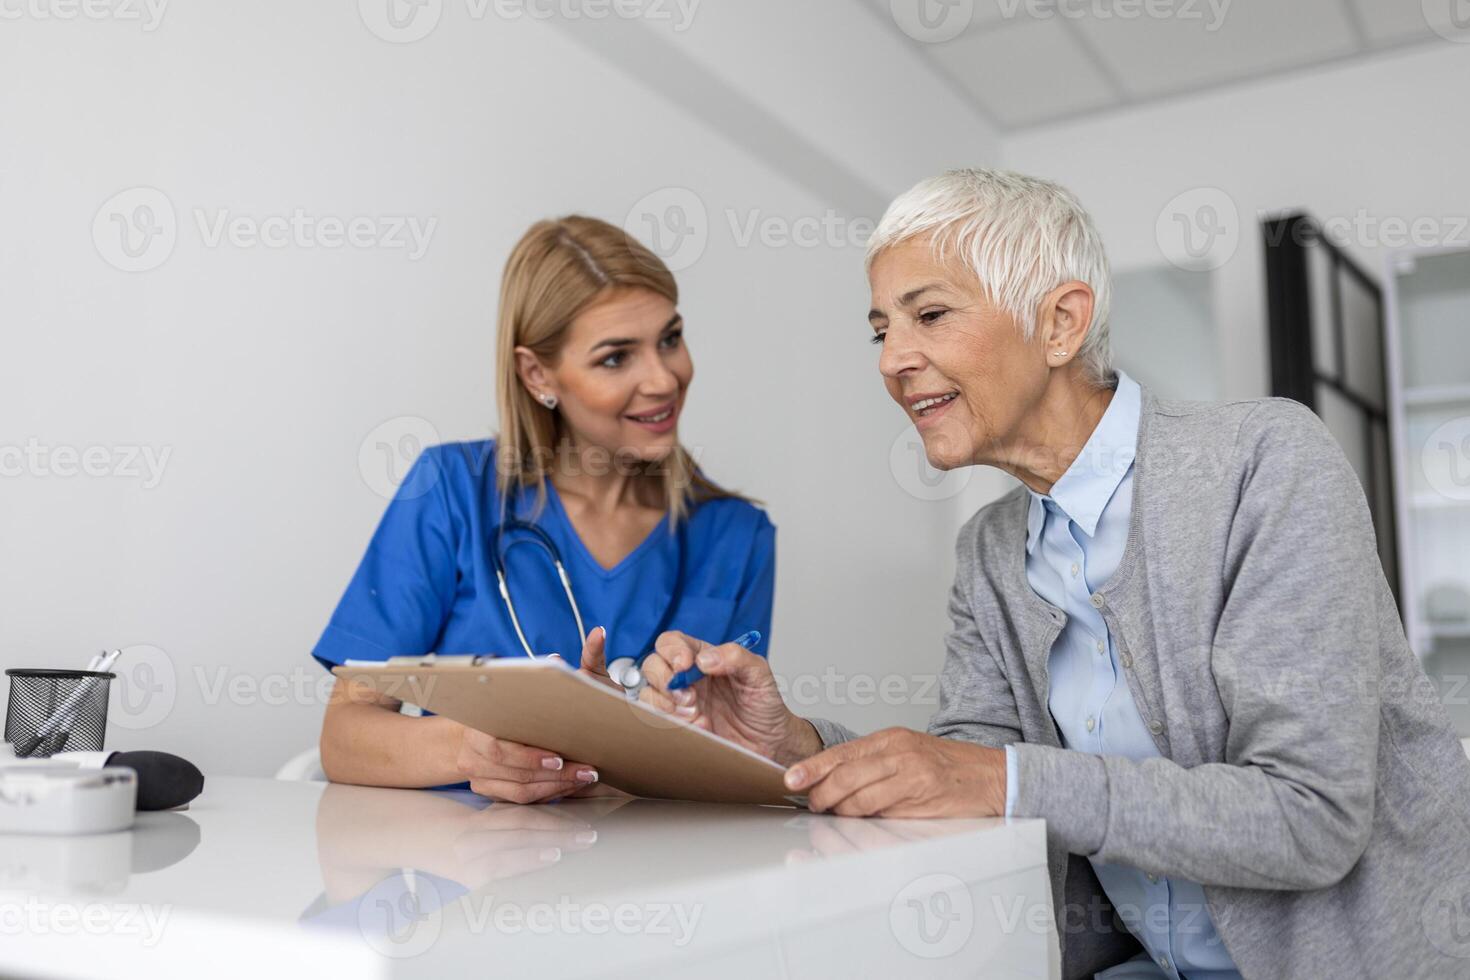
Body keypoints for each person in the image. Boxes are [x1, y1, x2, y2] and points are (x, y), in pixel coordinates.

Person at [636, 171, 1470, 978]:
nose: (893, 360)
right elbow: (966, 767)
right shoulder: (992, 549)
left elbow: (1311, 818)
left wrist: (1004, 780)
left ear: (1062, 323)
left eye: (929, 314)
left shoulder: (1265, 463)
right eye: (881, 329)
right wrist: (798, 745)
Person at [314, 215, 776, 804]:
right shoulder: (451, 490)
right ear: (537, 375)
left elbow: (734, 758)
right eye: (616, 358)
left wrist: (666, 742)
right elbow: (343, 737)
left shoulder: (738, 538)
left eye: (670, 338)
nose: (664, 378)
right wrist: (469, 748)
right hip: (466, 879)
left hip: (650, 877)